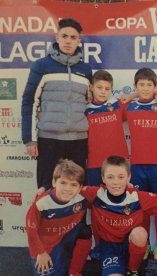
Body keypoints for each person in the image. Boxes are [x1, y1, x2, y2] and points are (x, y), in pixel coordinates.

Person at [21, 18, 92, 190]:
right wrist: (29, 140)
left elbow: (89, 103)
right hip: (49, 140)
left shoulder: (85, 70)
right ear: (57, 38)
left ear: (78, 41)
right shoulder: (42, 66)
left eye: (73, 37)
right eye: (64, 36)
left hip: (78, 142)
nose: (68, 40)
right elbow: (29, 101)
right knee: (46, 190)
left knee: (76, 191)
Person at [80, 155, 157, 276]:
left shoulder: (137, 196)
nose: (115, 182)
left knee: (140, 233)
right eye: (110, 177)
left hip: (130, 245)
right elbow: (70, 189)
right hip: (109, 249)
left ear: (128, 177)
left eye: (121, 177)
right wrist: (44, 191)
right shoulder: (96, 194)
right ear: (103, 178)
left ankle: (132, 270)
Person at [125, 67, 157, 260]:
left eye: (149, 85)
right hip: (137, 166)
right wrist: (133, 95)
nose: (145, 88)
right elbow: (107, 104)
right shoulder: (129, 106)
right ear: (135, 86)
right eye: (141, 85)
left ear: (155, 86)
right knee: (140, 206)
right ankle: (142, 245)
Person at [26, 159, 91, 276]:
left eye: (73, 185)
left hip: (67, 236)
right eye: (63, 183)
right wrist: (40, 252)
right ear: (54, 182)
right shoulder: (41, 203)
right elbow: (31, 231)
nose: (67, 188)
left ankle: (74, 271)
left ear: (80, 187)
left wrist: (128, 187)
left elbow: (108, 193)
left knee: (85, 231)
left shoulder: (82, 196)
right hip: (46, 244)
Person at [85, 70, 128, 186]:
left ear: (112, 90)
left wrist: (132, 95)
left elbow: (143, 100)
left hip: (118, 164)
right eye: (99, 87)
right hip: (94, 163)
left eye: (107, 89)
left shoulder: (118, 105)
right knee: (94, 199)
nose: (103, 92)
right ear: (91, 87)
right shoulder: (85, 109)